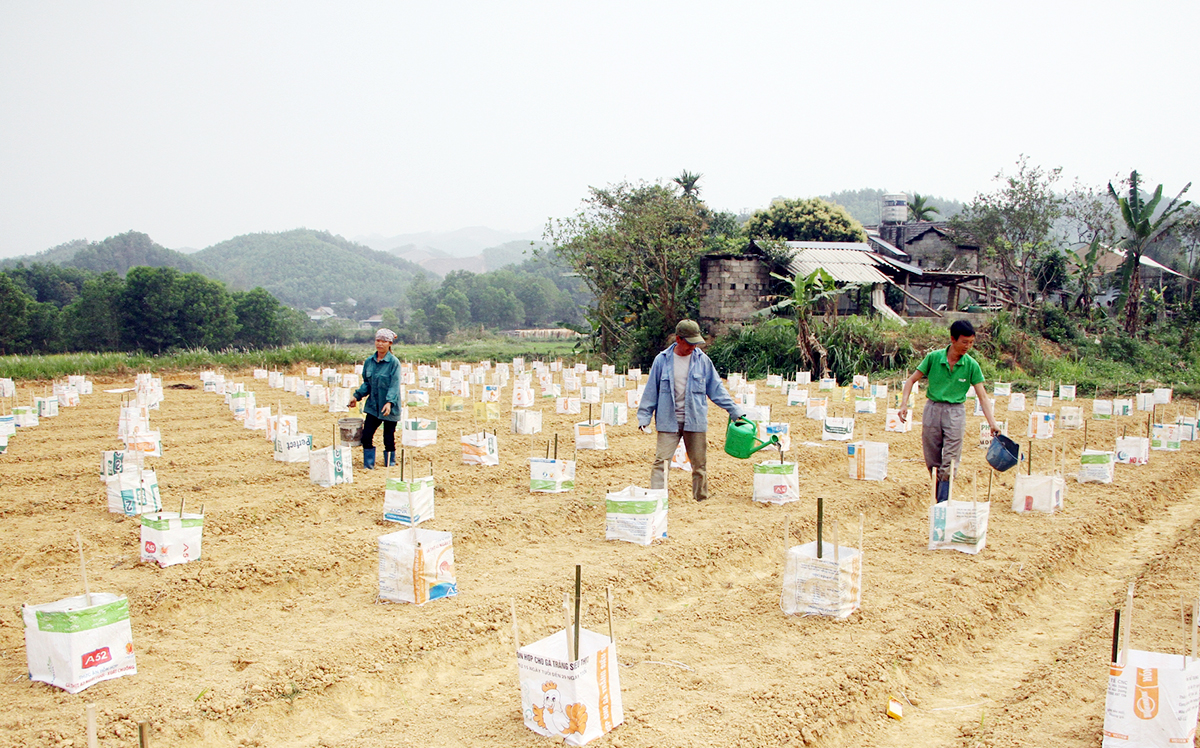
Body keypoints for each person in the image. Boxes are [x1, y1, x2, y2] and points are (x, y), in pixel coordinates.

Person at [637, 319, 745, 502]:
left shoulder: (702, 361)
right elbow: (650, 391)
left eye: (696, 343)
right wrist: (644, 417)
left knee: (699, 465)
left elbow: (716, 389)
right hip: (668, 421)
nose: (693, 347)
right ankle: (657, 501)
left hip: (694, 420)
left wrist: (735, 411)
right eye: (690, 343)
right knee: (661, 463)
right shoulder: (662, 360)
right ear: (678, 339)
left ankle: (701, 501)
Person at [898, 319, 1001, 502]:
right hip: (932, 409)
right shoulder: (933, 358)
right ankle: (939, 495)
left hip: (956, 413)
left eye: (971, 342)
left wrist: (992, 423)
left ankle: (943, 502)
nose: (968, 346)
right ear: (953, 339)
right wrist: (904, 404)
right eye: (964, 342)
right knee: (932, 459)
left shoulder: (971, 365)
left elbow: (983, 396)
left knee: (951, 460)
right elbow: (911, 380)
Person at [348, 328, 401, 469]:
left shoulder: (394, 363)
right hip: (373, 405)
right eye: (378, 340)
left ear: (390, 343)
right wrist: (356, 396)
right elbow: (367, 383)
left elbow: (394, 385)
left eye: (384, 341)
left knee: (388, 437)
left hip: (389, 406)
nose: (380, 344)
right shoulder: (369, 362)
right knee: (366, 435)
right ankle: (368, 465)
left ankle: (390, 465)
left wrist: (389, 402)